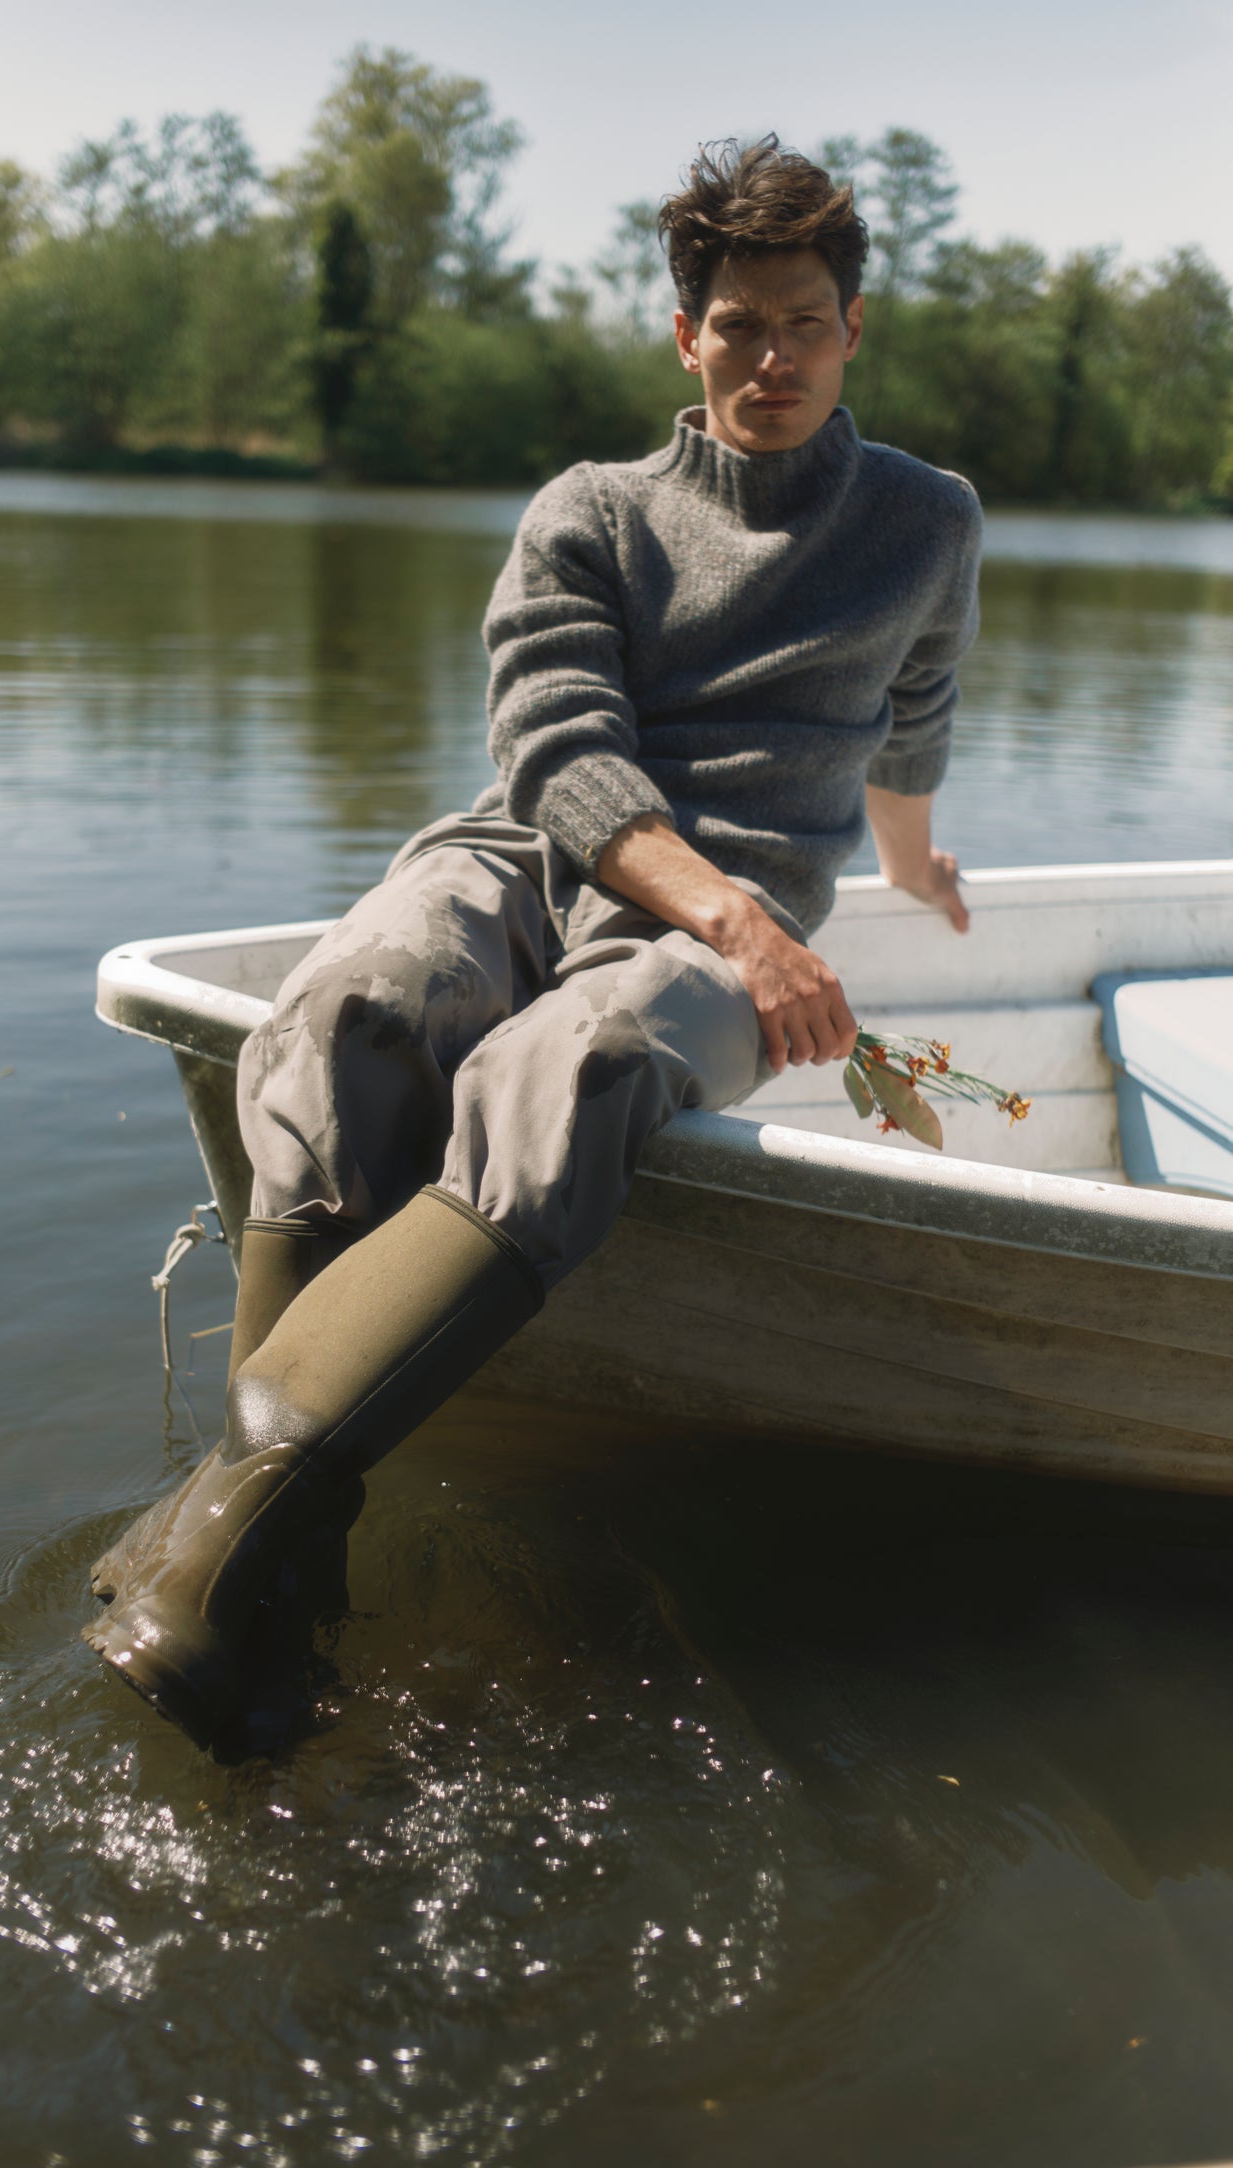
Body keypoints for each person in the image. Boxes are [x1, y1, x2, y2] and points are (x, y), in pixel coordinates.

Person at [84, 135, 982, 1745]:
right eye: (735, 323)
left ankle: (219, 1536)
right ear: (683, 335)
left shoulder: (926, 521)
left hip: (735, 906)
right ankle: (291, 1554)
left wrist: (909, 866)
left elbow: (912, 718)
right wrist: (732, 921)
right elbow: (558, 756)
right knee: (346, 1007)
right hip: (541, 849)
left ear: (855, 330)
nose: (768, 356)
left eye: (802, 321)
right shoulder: (589, 513)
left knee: (575, 1057)